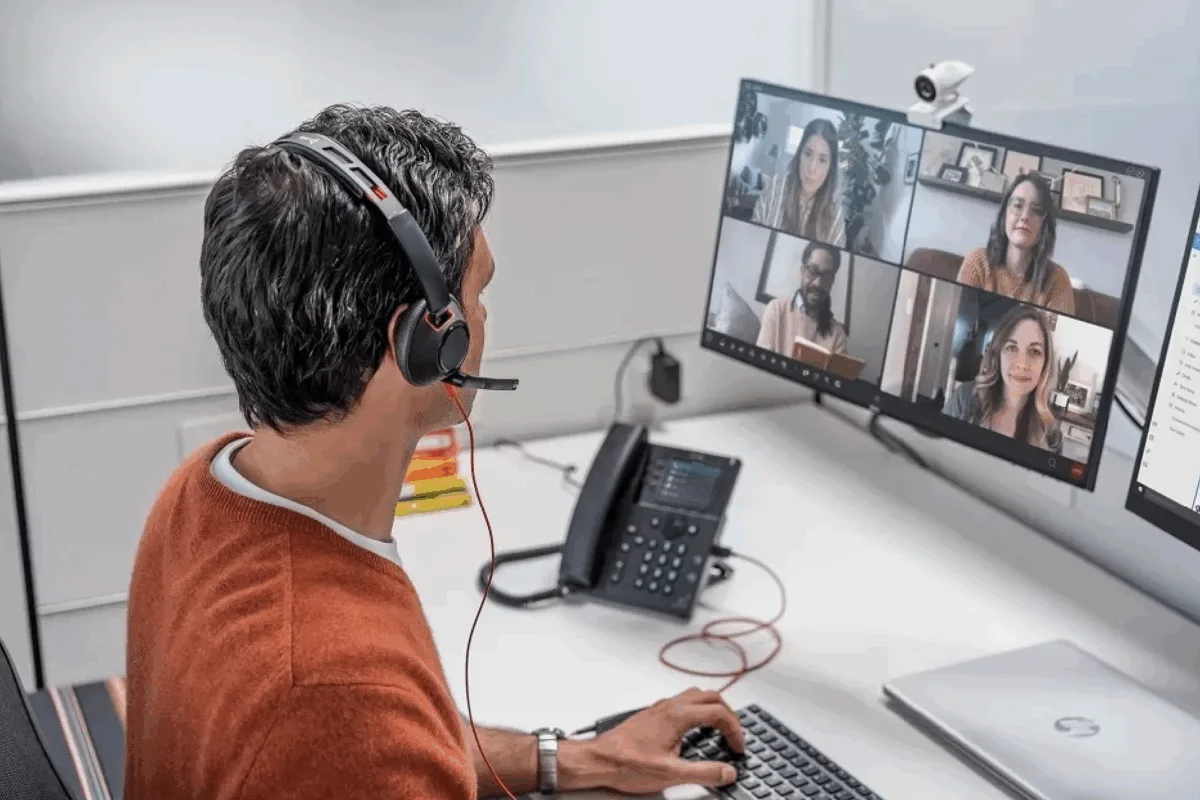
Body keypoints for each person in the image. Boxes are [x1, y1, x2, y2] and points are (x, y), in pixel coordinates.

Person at [122, 104, 746, 800]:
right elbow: (355, 730)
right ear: (423, 342)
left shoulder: (200, 492)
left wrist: (576, 758)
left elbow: (382, 745)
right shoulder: (333, 686)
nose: (484, 319)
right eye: (477, 295)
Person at [942, 304, 1062, 453]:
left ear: (1046, 363)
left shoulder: (1052, 435)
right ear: (998, 355)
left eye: (1034, 351)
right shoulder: (964, 399)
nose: (1022, 364)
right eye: (1011, 348)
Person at [955, 173, 1076, 315]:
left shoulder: (1057, 279)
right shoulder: (977, 262)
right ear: (1004, 214)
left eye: (1036, 210)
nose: (1025, 217)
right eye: (1018, 205)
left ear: (1045, 225)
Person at [752, 117, 847, 246]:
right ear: (799, 154)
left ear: (830, 168)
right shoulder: (775, 188)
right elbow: (752, 238)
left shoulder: (834, 213)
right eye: (807, 154)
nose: (811, 168)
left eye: (822, 160)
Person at [756, 240, 847, 357]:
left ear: (832, 281)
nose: (818, 283)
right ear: (802, 271)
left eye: (827, 276)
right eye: (812, 271)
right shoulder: (776, 309)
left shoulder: (838, 335)